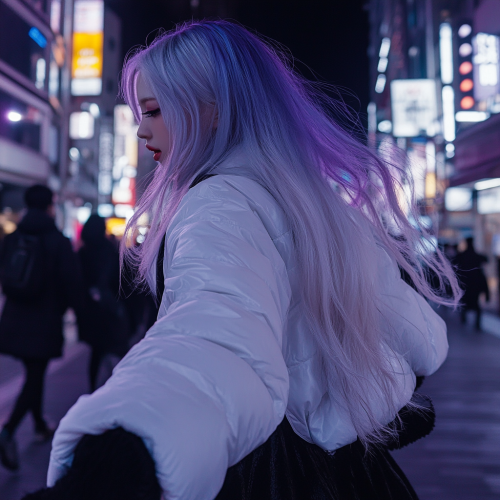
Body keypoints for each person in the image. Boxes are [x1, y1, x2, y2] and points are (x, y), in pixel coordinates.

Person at [35, 21, 460, 499]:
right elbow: (416, 336)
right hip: (357, 474)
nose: (140, 128)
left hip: (269, 474)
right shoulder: (314, 202)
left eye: (153, 110)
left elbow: (215, 335)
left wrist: (116, 460)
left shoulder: (221, 201)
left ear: (212, 110)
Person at [0, 185, 83, 471]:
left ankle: (38, 425)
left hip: (13, 318)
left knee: (34, 373)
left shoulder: (12, 238)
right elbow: (71, 283)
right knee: (35, 375)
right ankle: (8, 431)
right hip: (43, 320)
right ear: (50, 206)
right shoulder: (56, 241)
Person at [77, 215, 129, 391]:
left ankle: (92, 387)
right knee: (114, 347)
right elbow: (120, 281)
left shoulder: (82, 254)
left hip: (90, 310)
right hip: (110, 308)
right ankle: (115, 387)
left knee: (96, 352)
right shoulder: (110, 251)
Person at [455, 236, 489, 330]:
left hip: (465, 282)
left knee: (465, 302)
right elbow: (485, 260)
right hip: (475, 282)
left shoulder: (462, 256)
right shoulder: (476, 256)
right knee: (476, 304)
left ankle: (465, 319)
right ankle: (476, 324)